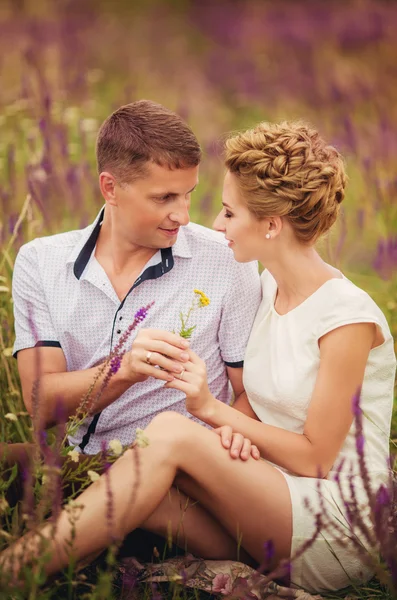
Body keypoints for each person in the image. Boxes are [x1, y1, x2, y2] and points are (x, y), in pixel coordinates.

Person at [2, 121, 395, 594]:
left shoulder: (346, 317)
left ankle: (12, 573)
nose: (210, 223)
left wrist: (212, 412)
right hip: (268, 505)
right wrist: (234, 429)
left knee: (170, 432)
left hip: (334, 520)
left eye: (228, 213)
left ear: (271, 225)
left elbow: (317, 459)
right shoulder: (268, 288)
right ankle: (38, 575)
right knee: (129, 494)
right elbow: (262, 397)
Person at [10, 99, 261, 454]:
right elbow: (40, 404)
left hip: (182, 471)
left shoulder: (227, 258)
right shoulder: (40, 262)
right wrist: (124, 369)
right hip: (81, 464)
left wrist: (221, 450)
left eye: (188, 195)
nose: (183, 216)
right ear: (110, 188)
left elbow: (253, 393)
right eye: (164, 198)